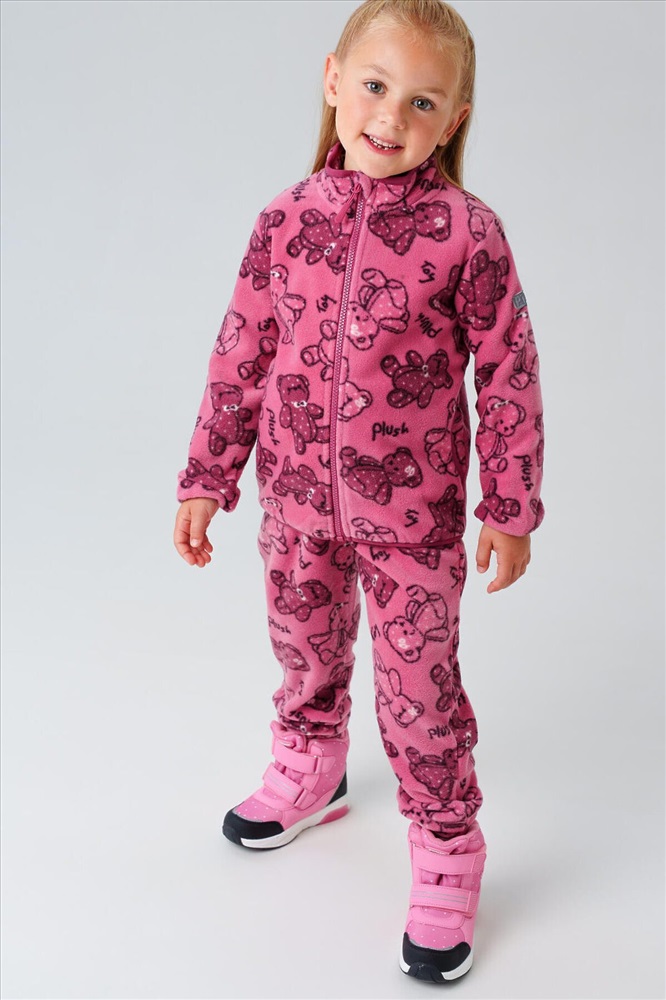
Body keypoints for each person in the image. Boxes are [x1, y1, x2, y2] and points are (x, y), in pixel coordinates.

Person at [174, 0, 545, 983]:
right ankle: (312, 764)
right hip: (295, 504)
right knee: (302, 646)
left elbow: (509, 372)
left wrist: (510, 506)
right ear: (334, 79)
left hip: (412, 520)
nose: (391, 115)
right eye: (376, 86)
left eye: (422, 100)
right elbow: (240, 352)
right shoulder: (286, 218)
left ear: (454, 118)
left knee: (421, 694)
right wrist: (208, 474)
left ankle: (448, 842)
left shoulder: (467, 234)